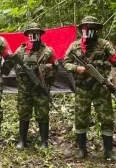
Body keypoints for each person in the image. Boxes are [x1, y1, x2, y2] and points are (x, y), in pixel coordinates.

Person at [64, 16, 116, 160]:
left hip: (101, 88)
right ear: (82, 29)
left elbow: (115, 61)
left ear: (96, 29)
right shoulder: (74, 46)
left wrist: (111, 81)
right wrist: (77, 68)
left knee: (106, 118)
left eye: (92, 27)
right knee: (80, 118)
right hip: (82, 88)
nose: (89, 30)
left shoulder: (105, 45)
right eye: (86, 27)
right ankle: (81, 149)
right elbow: (65, 62)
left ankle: (108, 151)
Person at [13, 23, 58, 150]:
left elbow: (56, 68)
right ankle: (22, 140)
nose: (34, 35)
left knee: (43, 114)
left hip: (41, 89)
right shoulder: (20, 51)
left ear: (40, 34)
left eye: (36, 32)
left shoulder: (48, 51)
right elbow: (14, 67)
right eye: (31, 32)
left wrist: (46, 77)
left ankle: (44, 141)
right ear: (27, 35)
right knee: (23, 113)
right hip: (24, 89)